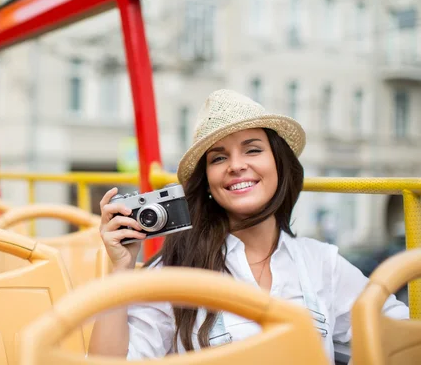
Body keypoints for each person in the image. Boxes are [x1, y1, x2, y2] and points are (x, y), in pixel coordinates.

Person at [89, 89, 409, 363]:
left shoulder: (321, 263)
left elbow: (399, 335)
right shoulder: (177, 270)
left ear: (279, 165)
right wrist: (121, 268)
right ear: (208, 183)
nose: (237, 165)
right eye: (218, 158)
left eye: (253, 149)